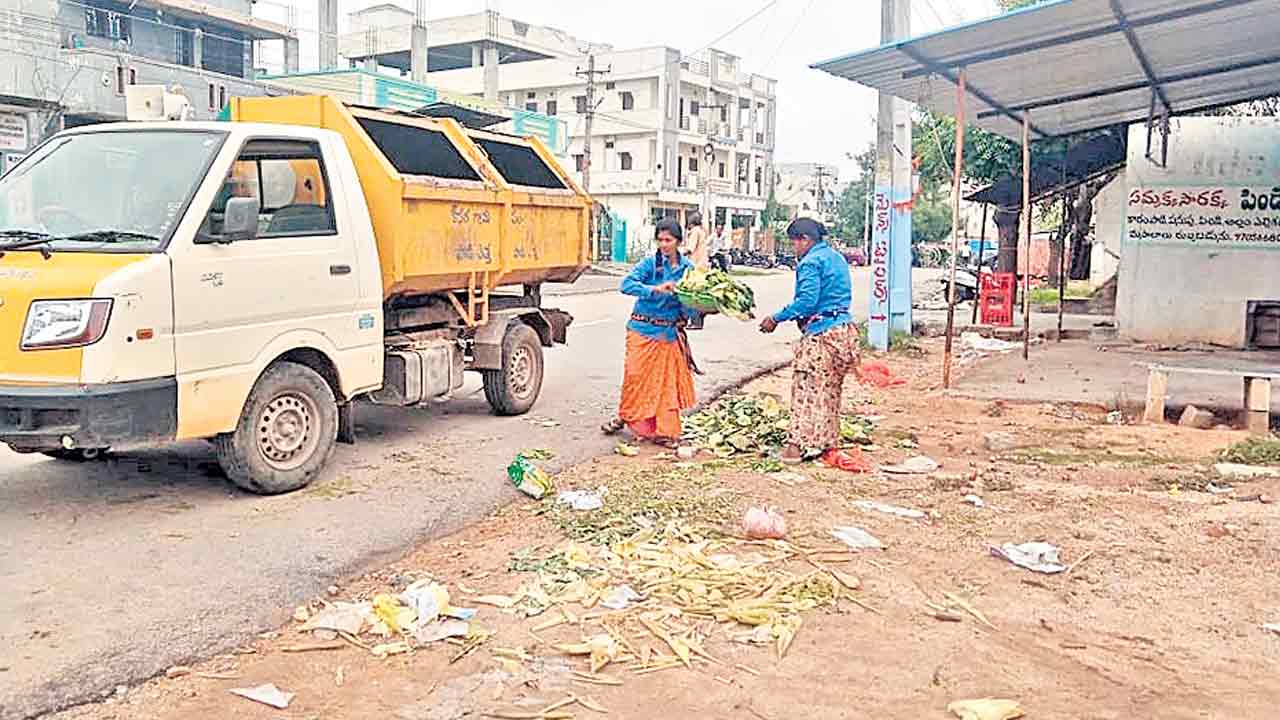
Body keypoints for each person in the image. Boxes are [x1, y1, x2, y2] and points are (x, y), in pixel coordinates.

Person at [759, 217, 858, 463]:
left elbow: (807, 301)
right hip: (844, 332)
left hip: (821, 335)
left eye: (795, 243)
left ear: (805, 240)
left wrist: (776, 318)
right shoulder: (836, 258)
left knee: (805, 390)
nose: (794, 248)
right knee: (830, 391)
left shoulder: (811, 262)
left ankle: (795, 447)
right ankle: (826, 444)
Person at [601, 218, 701, 447]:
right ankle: (626, 415)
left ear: (678, 241)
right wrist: (654, 289)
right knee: (634, 377)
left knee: (668, 386)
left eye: (669, 240)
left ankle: (666, 432)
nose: (664, 245)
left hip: (669, 334)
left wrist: (701, 307)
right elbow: (626, 285)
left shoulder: (688, 270)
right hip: (642, 329)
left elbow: (691, 305)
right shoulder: (650, 264)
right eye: (660, 240)